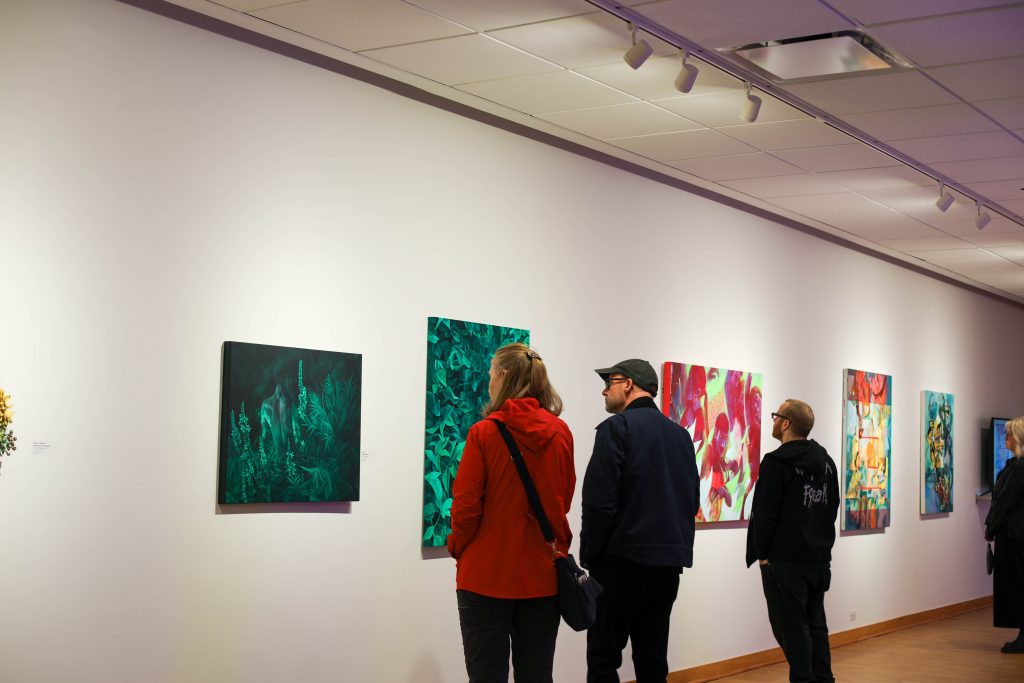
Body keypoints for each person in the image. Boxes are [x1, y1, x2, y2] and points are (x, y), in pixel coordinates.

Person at [447, 343, 576, 683]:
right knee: (536, 675)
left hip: (485, 577)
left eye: (491, 374)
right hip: (542, 578)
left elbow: (465, 507)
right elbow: (563, 501)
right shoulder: (560, 432)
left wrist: (457, 546)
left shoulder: (484, 433)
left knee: (486, 676)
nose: (489, 381)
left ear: (503, 376)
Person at [581, 359, 699, 683]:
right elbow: (691, 501)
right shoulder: (681, 436)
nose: (605, 391)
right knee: (653, 661)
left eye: (610, 383)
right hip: (667, 566)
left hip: (620, 563)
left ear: (629, 384)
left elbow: (599, 503)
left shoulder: (616, 429)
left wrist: (590, 556)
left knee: (604, 659)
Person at [746, 399, 839, 683]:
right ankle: (823, 678)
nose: (773, 421)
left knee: (791, 629)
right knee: (816, 626)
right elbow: (832, 506)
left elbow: (765, 513)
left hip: (784, 562)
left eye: (776, 416)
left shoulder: (776, 463)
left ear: (786, 423)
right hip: (818, 560)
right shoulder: (827, 463)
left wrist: (763, 555)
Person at [985, 416, 1024, 654]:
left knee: (1017, 585)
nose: (1005, 437)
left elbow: (1004, 503)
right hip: (1015, 535)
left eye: (1008, 434)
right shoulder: (1016, 467)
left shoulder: (1018, 470)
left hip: (1015, 537)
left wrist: (990, 527)